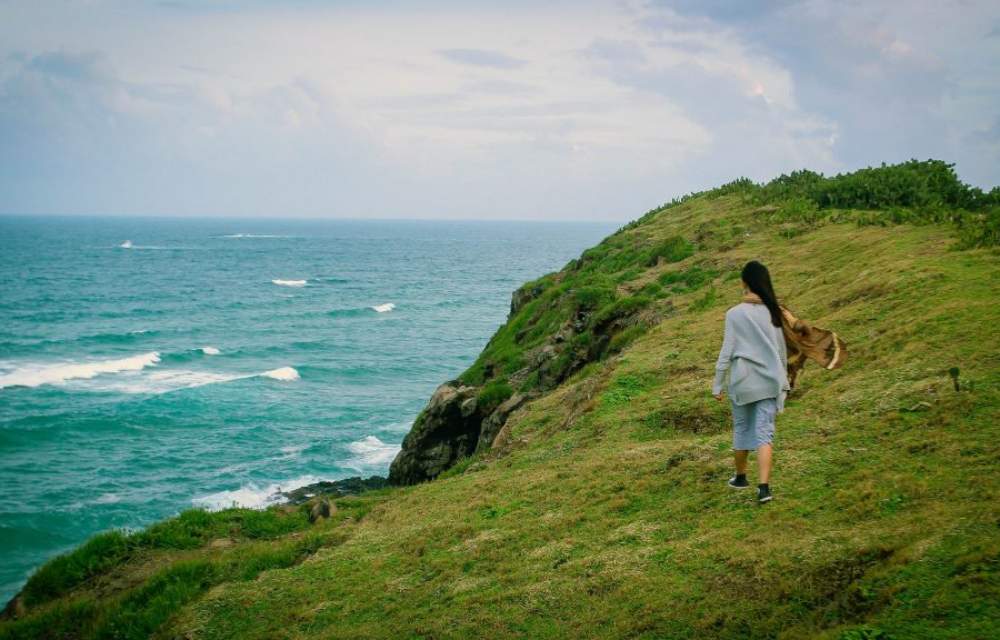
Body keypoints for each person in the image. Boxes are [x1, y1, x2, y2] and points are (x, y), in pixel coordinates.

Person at [712, 260, 790, 503]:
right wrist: (784, 379)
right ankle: (764, 488)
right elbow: (781, 350)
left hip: (743, 381)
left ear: (744, 282)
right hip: (769, 380)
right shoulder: (774, 312)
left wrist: (717, 384)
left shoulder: (734, 314)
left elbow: (727, 351)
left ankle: (740, 477)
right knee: (764, 433)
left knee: (742, 428)